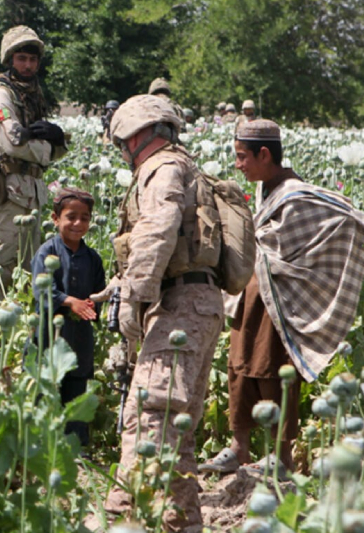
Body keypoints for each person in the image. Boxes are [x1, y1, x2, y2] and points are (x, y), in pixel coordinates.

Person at [199, 120, 364, 476]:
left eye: (243, 157)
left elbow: (349, 217)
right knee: (239, 368)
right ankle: (238, 448)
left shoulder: (296, 194)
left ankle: (281, 456)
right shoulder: (265, 190)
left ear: (265, 154)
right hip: (250, 295)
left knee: (273, 370)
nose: (238, 165)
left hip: (279, 302)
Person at [93, 94, 224, 530]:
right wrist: (118, 285)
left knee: (150, 418)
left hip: (180, 309)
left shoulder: (163, 168)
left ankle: (126, 515)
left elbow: (158, 230)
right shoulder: (187, 167)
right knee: (175, 426)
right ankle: (180, 522)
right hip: (196, 304)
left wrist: (133, 296)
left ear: (137, 135)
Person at [0, 25, 68, 303]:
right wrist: (50, 148)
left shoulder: (33, 95)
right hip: (8, 193)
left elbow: (44, 149)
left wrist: (57, 139)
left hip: (31, 194)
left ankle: (20, 338)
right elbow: (12, 142)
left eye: (33, 59)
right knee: (2, 270)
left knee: (29, 273)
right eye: (22, 58)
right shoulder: (1, 95)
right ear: (10, 59)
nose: (28, 65)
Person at [31, 188, 106, 447]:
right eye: (71, 217)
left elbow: (98, 292)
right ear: (55, 218)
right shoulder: (46, 252)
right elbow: (41, 289)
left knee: (77, 386)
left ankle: (76, 447)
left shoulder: (93, 258)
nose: (78, 224)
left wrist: (95, 303)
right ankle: (40, 443)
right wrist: (67, 301)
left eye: (84, 218)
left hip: (80, 335)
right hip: (48, 333)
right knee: (46, 384)